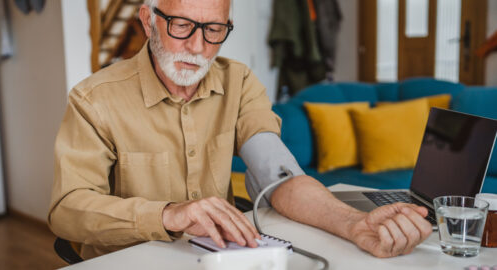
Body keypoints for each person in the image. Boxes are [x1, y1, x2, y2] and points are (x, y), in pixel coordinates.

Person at [48, 0, 432, 260]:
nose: (198, 46)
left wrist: (355, 224)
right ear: (148, 20)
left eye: (214, 29)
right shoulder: (93, 99)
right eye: (182, 25)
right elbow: (66, 210)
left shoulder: (239, 82)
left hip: (222, 257)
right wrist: (168, 214)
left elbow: (277, 175)